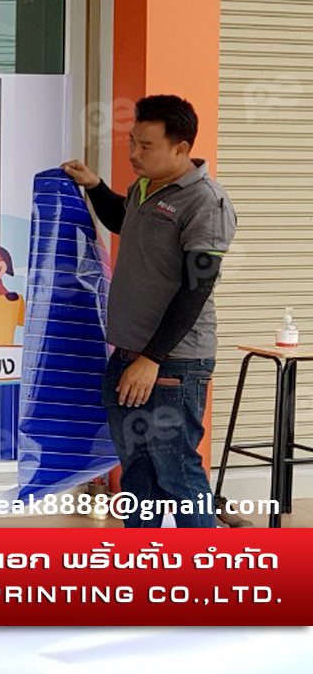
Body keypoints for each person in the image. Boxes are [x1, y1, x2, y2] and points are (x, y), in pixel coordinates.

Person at [63, 94, 236, 529]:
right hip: (129, 355)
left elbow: (196, 289)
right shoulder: (145, 188)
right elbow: (123, 220)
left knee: (176, 471)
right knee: (137, 473)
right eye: (132, 142)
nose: (134, 154)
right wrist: (94, 185)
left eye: (146, 146)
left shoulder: (206, 203)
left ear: (181, 148)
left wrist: (152, 359)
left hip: (173, 363)